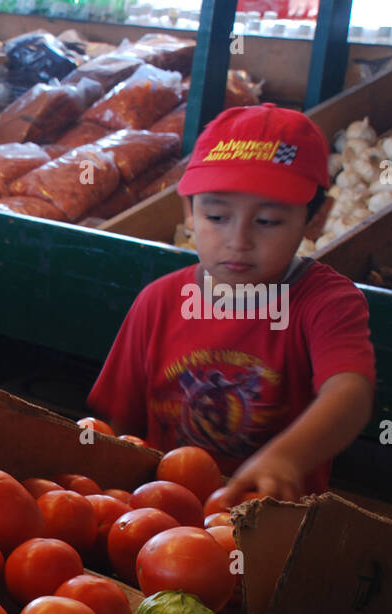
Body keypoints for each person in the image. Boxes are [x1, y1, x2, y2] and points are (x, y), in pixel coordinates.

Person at [87, 103, 375, 502]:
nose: (238, 240)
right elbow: (115, 428)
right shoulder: (157, 303)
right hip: (157, 527)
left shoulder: (326, 303)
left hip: (272, 525)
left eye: (268, 221)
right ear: (189, 212)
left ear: (316, 219)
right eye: (218, 216)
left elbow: (350, 392)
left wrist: (286, 459)